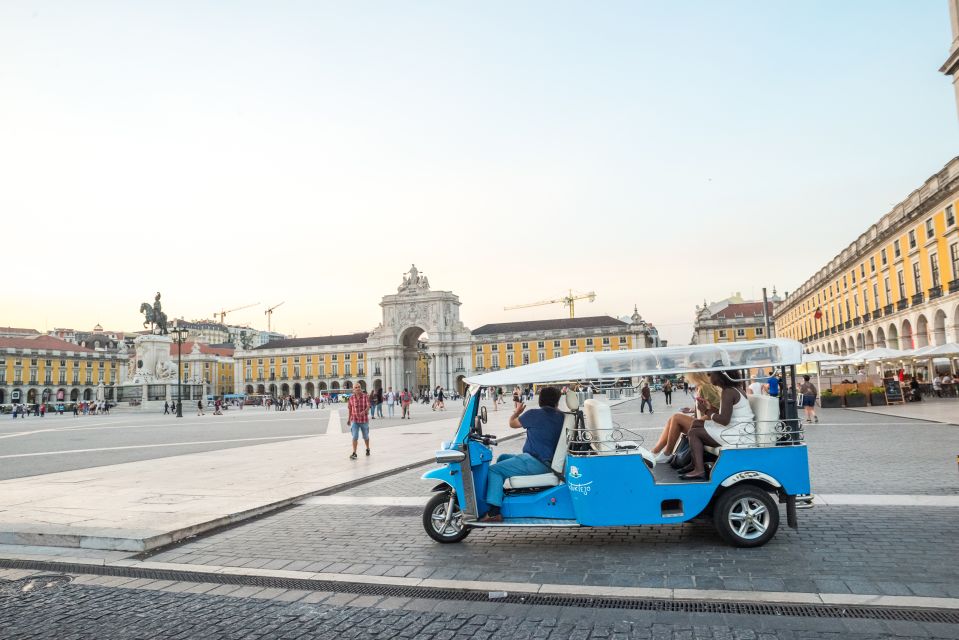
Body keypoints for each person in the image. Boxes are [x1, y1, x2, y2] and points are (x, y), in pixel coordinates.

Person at [480, 386, 564, 523]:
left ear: (540, 400)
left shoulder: (533, 414)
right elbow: (556, 411)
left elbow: (512, 423)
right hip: (546, 462)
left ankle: (494, 512)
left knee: (494, 470)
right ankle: (499, 495)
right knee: (502, 458)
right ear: (557, 401)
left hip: (534, 462)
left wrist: (517, 412)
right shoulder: (560, 416)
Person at [680, 368, 755, 480]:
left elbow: (724, 420)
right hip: (737, 429)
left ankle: (699, 470)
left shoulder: (728, 392)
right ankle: (695, 462)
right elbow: (726, 414)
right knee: (696, 423)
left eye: (711, 374)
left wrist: (705, 411)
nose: (709, 376)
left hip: (738, 435)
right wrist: (709, 407)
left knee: (694, 433)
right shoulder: (732, 389)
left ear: (720, 376)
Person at [649, 370, 721, 463]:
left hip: (710, 426)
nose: (686, 376)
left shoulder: (706, 387)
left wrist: (700, 419)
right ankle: (655, 451)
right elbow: (708, 406)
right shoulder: (702, 387)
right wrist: (693, 410)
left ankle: (666, 454)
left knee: (676, 418)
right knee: (672, 419)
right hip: (706, 424)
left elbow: (718, 410)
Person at [347, 383, 371, 459]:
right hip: (354, 420)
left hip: (364, 420)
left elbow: (368, 406)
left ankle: (367, 448)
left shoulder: (365, 396)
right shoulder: (351, 398)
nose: (357, 388)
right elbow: (350, 409)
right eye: (356, 387)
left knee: (365, 436)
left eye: (359, 387)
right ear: (353, 389)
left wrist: (364, 411)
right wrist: (348, 419)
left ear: (361, 388)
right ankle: (354, 453)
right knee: (355, 436)